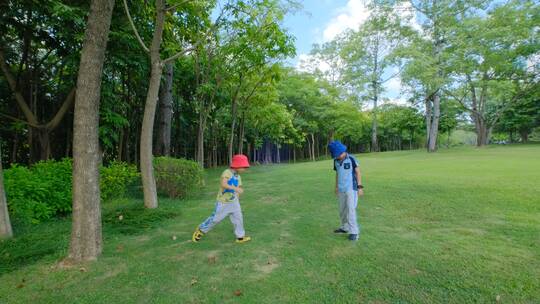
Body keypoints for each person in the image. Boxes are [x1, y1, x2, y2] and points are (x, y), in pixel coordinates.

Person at [192, 154, 252, 244]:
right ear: (237, 165)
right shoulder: (227, 172)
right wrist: (236, 189)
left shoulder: (238, 176)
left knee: (238, 219)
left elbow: (239, 188)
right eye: (244, 167)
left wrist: (238, 195)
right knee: (215, 219)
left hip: (234, 203)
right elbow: (223, 184)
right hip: (223, 203)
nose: (245, 169)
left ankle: (240, 237)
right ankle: (201, 230)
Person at [328, 140, 364, 241]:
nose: (338, 156)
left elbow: (358, 172)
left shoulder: (351, 159)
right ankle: (345, 227)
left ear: (343, 151)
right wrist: (336, 187)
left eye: (339, 154)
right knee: (342, 210)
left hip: (351, 188)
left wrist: (360, 187)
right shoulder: (336, 161)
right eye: (336, 155)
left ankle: (354, 232)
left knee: (351, 210)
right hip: (341, 189)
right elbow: (337, 174)